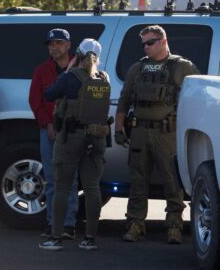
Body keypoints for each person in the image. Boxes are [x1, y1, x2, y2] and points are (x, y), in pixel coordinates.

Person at [114, 25, 199, 244]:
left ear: (163, 41)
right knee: (137, 181)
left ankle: (174, 227)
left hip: (167, 134)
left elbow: (195, 99)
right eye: (143, 43)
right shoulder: (138, 68)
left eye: (150, 42)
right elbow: (124, 100)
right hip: (140, 132)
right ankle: (135, 225)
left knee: (172, 182)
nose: (146, 47)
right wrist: (119, 129)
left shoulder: (183, 67)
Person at [39, 39, 111, 251]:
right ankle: (90, 239)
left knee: (61, 187)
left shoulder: (70, 77)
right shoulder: (103, 77)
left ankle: (56, 237)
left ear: (77, 55)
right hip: (96, 138)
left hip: (71, 137)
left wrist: (67, 71)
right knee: (92, 188)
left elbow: (49, 94)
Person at [29, 28, 78, 239]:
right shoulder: (42, 70)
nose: (54, 47)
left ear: (68, 45)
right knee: (51, 179)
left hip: (74, 131)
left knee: (71, 179)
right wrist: (47, 124)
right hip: (49, 131)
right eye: (50, 44)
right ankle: (53, 223)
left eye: (58, 43)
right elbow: (35, 100)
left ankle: (69, 225)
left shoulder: (82, 68)